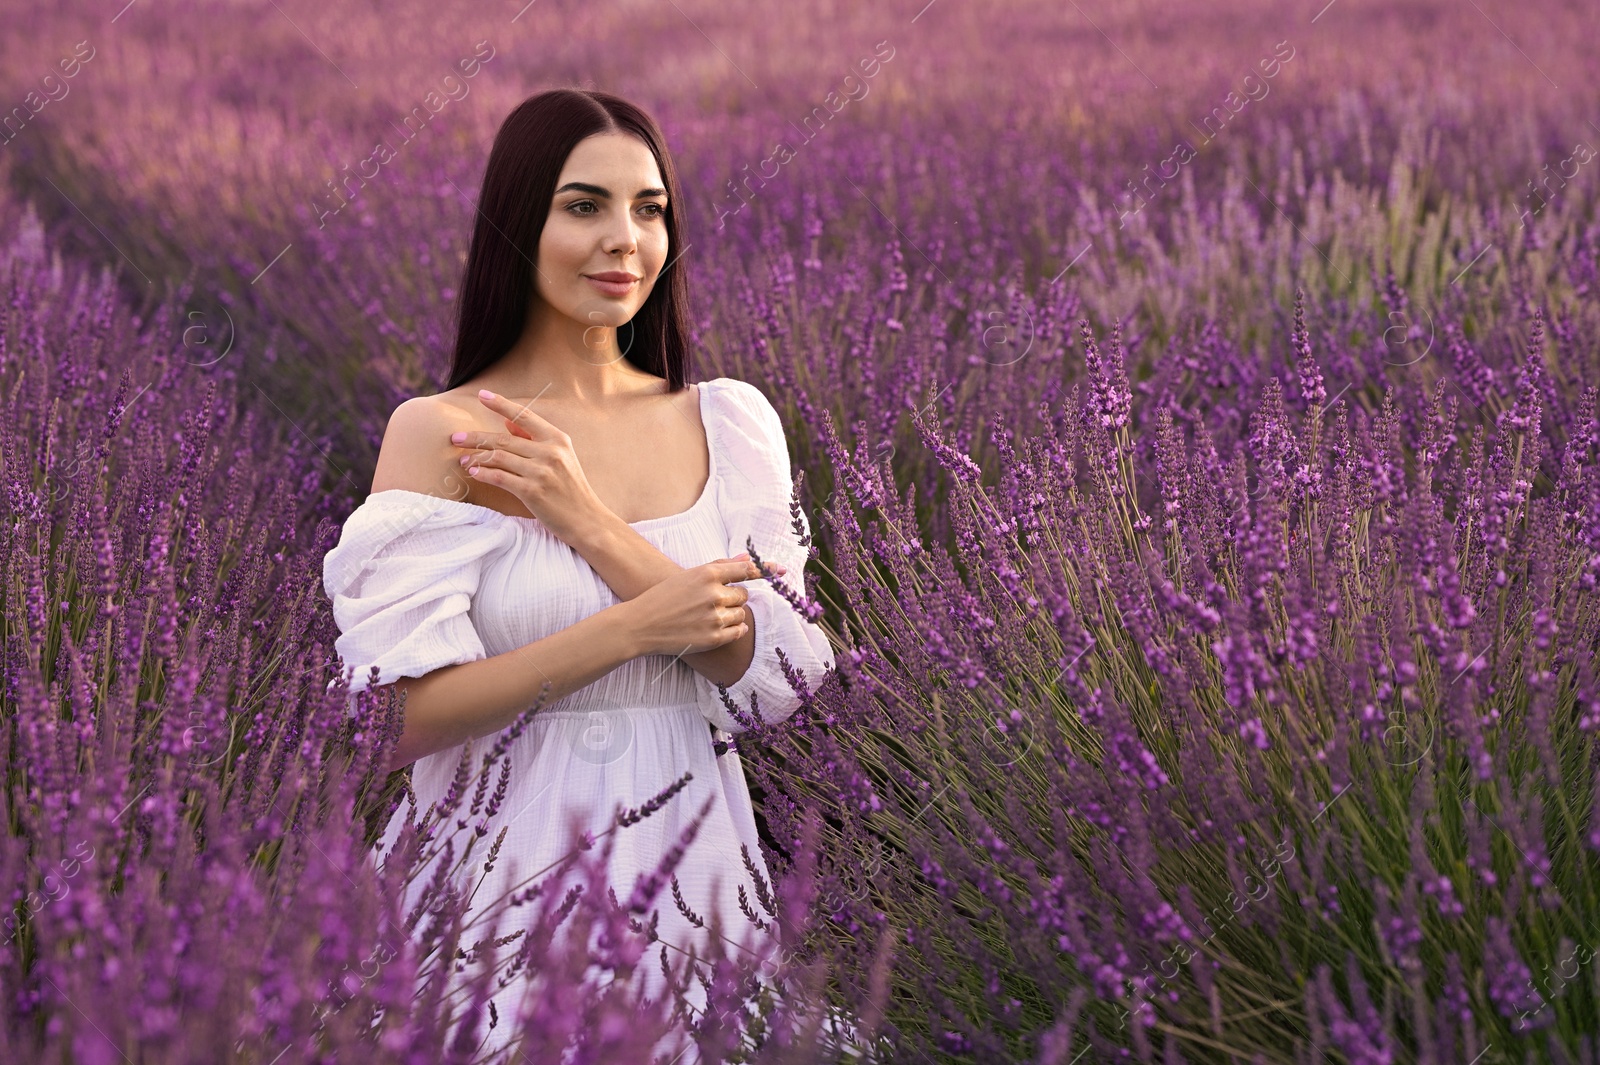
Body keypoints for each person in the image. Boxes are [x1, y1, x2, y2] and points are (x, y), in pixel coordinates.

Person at [320, 88, 836, 1062]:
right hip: (489, 896)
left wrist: (587, 522)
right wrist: (632, 629)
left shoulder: (729, 422)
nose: (624, 240)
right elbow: (393, 723)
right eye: (583, 205)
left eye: (649, 209)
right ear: (519, 222)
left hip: (697, 893)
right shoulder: (444, 434)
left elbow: (790, 680)